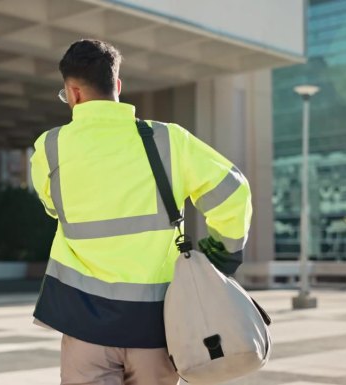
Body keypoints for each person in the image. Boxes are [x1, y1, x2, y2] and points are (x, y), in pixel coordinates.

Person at [30, 39, 252, 385]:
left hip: (84, 323)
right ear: (117, 85)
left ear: (72, 93)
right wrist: (224, 254)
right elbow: (233, 190)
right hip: (158, 326)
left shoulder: (51, 146)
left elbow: (51, 207)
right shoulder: (168, 140)